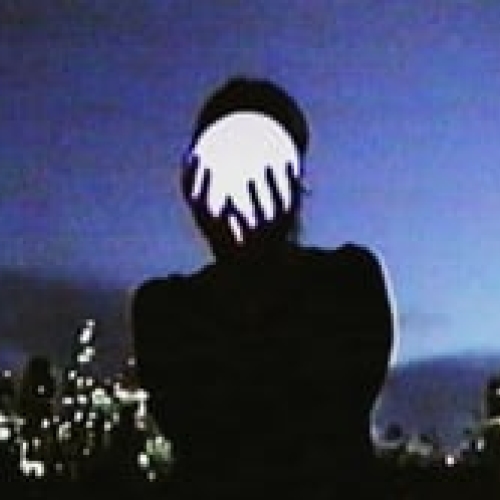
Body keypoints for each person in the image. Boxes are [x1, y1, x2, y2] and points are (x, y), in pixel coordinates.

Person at [132, 77, 395, 499]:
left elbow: (327, 413)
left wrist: (245, 258)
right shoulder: (164, 307)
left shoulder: (349, 279)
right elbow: (202, 430)